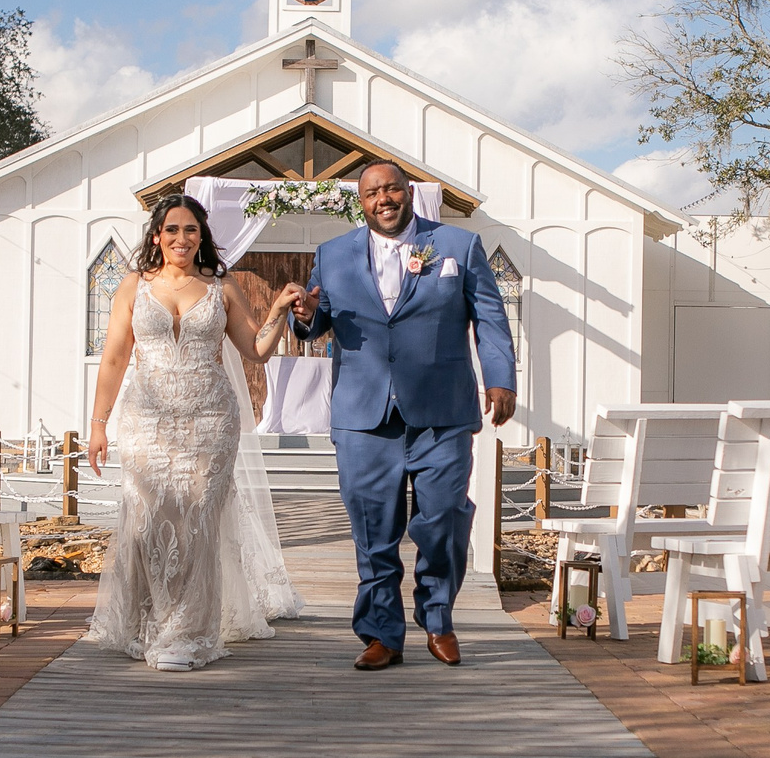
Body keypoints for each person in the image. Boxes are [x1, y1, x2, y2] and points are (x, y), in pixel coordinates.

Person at [290, 160, 517, 670]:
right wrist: (303, 314)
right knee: (373, 529)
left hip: (442, 411)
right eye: (372, 193)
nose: (383, 199)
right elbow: (315, 320)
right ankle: (381, 634)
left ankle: (437, 618)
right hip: (364, 413)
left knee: (443, 520)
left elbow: (491, 318)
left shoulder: (458, 247)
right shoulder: (332, 255)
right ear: (361, 201)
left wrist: (500, 378)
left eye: (391, 188)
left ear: (408, 192)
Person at [84, 196, 302, 671]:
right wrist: (97, 425)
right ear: (156, 236)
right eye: (171, 229)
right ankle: (147, 623)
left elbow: (256, 350)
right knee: (145, 522)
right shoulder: (132, 288)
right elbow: (115, 358)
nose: (180, 239)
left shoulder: (221, 288)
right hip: (146, 420)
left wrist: (280, 310)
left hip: (210, 421)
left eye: (190, 230)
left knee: (197, 521)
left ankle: (187, 633)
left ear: (201, 236)